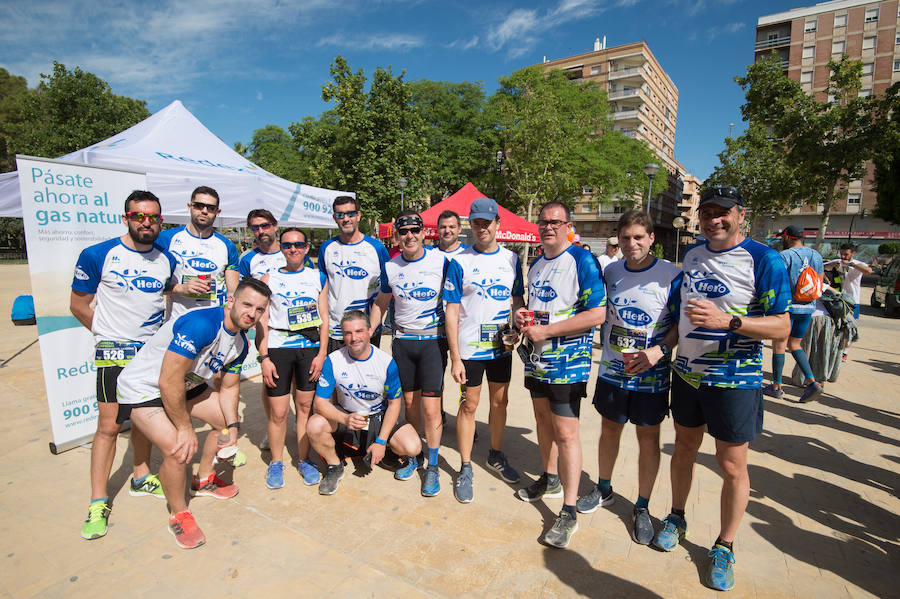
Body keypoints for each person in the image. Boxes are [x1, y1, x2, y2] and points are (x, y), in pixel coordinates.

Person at [653, 187, 789, 591]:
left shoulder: (765, 259)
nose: (714, 219)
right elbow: (681, 318)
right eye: (707, 212)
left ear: (740, 215)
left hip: (734, 379)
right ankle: (676, 515)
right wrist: (661, 350)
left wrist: (727, 321)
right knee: (683, 450)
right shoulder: (692, 255)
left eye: (723, 212)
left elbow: (781, 325)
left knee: (731, 466)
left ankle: (725, 545)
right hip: (688, 374)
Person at [115, 277, 272, 549]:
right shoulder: (202, 324)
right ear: (231, 300)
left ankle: (203, 479)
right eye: (247, 305)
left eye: (259, 310)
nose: (252, 314)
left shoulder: (240, 343)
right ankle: (179, 513)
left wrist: (233, 426)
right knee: (179, 448)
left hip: (186, 383)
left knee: (221, 423)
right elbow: (167, 381)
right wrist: (185, 428)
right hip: (145, 388)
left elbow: (229, 388)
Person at [70, 191, 176, 540]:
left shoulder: (166, 259)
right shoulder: (98, 254)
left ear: (161, 221)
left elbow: (171, 293)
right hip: (114, 353)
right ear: (125, 217)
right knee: (109, 428)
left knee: (146, 422)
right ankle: (98, 500)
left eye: (153, 218)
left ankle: (142, 477)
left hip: (150, 357)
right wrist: (107, 336)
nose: (146, 223)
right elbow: (79, 305)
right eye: (138, 216)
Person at [577, 210, 680, 545]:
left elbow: (681, 324)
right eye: (625, 238)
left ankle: (642, 506)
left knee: (648, 440)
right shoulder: (610, 272)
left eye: (638, 237)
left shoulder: (671, 276)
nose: (631, 243)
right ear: (617, 241)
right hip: (612, 371)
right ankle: (603, 488)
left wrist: (658, 352)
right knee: (609, 429)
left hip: (652, 376)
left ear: (652, 239)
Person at [513, 201, 605, 549]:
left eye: (556, 222)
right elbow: (539, 311)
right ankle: (549, 479)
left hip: (568, 362)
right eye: (543, 222)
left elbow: (598, 313)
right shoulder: (536, 264)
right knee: (542, 421)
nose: (548, 227)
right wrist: (524, 318)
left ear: (568, 226)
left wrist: (548, 332)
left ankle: (569, 510)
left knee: (566, 433)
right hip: (537, 360)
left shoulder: (582, 260)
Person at [444, 197, 525, 503]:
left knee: (500, 402)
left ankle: (495, 454)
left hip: (500, 347)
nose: (481, 228)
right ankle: (465, 466)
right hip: (469, 350)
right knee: (468, 405)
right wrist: (454, 357)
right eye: (475, 223)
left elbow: (517, 302)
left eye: (486, 223)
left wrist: (517, 329)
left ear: (497, 224)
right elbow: (451, 311)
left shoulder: (511, 260)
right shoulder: (459, 261)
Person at [370, 211, 449, 496]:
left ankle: (434, 465)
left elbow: (455, 303)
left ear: (424, 233)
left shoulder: (441, 261)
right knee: (410, 405)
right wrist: (369, 331)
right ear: (397, 236)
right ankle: (414, 457)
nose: (410, 236)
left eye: (415, 230)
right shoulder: (391, 267)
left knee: (431, 409)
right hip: (403, 343)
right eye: (404, 232)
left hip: (432, 342)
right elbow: (381, 302)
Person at [306, 311, 422, 495]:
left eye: (359, 331)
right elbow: (319, 403)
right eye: (348, 333)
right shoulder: (333, 360)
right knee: (314, 425)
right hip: (348, 414)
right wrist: (344, 418)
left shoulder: (386, 362)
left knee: (413, 447)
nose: (354, 338)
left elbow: (394, 404)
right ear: (343, 335)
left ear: (369, 331)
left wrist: (382, 441)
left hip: (377, 415)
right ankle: (335, 466)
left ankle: (386, 451)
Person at [255, 228, 329, 489]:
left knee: (305, 409)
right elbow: (261, 322)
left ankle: (304, 459)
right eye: (287, 245)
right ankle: (276, 462)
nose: (293, 249)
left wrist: (321, 354)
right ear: (281, 248)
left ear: (307, 248)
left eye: (298, 244)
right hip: (279, 347)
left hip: (308, 348)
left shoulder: (317, 276)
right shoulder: (269, 278)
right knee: (278, 412)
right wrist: (263, 357)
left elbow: (325, 318)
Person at [318, 196, 390, 352]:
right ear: (334, 218)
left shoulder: (376, 248)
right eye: (340, 215)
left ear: (358, 215)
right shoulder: (326, 248)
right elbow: (322, 290)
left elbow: (387, 290)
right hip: (336, 330)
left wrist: (372, 325)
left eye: (350, 214)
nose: (346, 219)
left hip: (367, 329)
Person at [156, 186, 240, 320]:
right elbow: (154, 285)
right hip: (177, 322)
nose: (204, 211)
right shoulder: (166, 239)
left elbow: (233, 293)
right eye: (199, 206)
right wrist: (181, 288)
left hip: (213, 323)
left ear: (217, 211)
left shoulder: (227, 246)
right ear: (189, 206)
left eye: (210, 208)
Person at [764, 225, 825, 403]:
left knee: (779, 345)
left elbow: (777, 281)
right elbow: (819, 283)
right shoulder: (816, 255)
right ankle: (812, 381)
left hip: (787, 308)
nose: (781, 240)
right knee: (795, 344)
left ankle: (776, 386)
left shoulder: (785, 256)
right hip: (808, 308)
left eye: (783, 237)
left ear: (788, 238)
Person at [824, 242, 871, 361]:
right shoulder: (838, 262)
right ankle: (833, 348)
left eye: (846, 254)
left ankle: (845, 351)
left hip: (853, 300)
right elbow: (821, 266)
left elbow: (868, 270)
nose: (843, 256)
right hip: (837, 299)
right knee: (834, 325)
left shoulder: (858, 264)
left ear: (853, 253)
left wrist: (851, 264)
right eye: (842, 254)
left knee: (849, 327)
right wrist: (832, 265)